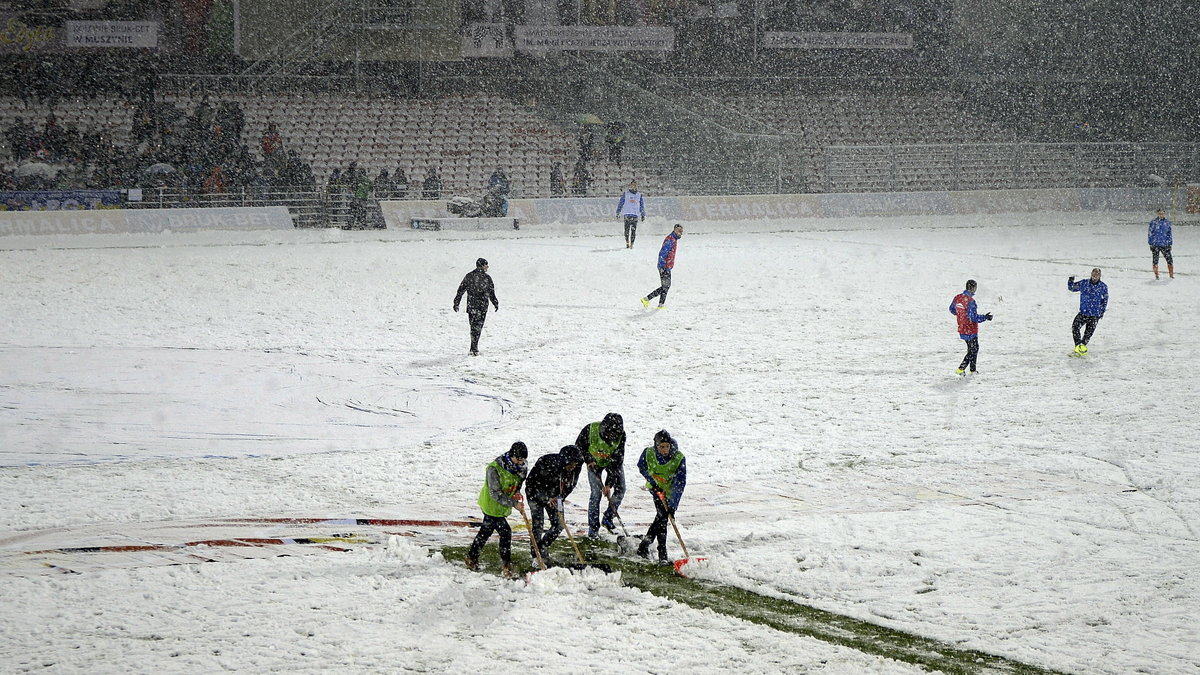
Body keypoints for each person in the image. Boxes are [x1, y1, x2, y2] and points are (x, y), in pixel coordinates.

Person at [465, 442, 528, 578]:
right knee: (505, 532)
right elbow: (495, 494)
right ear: (511, 456)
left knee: (486, 531)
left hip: (502, 506)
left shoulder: (522, 467)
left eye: (523, 460)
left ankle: (471, 557)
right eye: (518, 459)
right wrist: (514, 503)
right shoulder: (494, 469)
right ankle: (506, 565)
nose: (521, 463)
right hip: (491, 505)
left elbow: (519, 482)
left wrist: (516, 491)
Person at [524, 444, 584, 566]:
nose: (573, 467)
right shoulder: (546, 463)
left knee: (559, 524)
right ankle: (535, 554)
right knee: (538, 524)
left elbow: (569, 486)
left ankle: (542, 547)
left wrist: (559, 498)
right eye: (571, 464)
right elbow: (531, 484)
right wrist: (546, 498)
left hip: (556, 497)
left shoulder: (575, 468)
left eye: (575, 464)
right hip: (536, 495)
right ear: (564, 461)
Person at [636, 429, 686, 565]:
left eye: (667, 446)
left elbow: (680, 483)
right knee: (662, 519)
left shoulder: (679, 458)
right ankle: (662, 554)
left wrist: (673, 505)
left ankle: (644, 545)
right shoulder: (649, 453)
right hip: (656, 489)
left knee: (661, 518)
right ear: (656, 446)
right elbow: (641, 466)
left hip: (670, 492)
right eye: (661, 447)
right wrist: (652, 482)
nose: (665, 450)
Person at [574, 413, 626, 538]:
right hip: (593, 463)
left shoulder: (621, 436)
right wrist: (588, 459)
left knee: (621, 489)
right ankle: (593, 529)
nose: (613, 437)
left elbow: (618, 460)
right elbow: (578, 447)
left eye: (615, 434)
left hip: (611, 462)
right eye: (610, 434)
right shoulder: (590, 430)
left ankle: (608, 518)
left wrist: (609, 484)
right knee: (596, 494)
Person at [453, 258, 499, 356]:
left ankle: (473, 347)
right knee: (478, 327)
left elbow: (460, 290)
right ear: (481, 266)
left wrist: (456, 302)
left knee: (473, 326)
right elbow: (491, 293)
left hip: (472, 305)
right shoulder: (487, 278)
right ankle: (474, 347)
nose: (487, 267)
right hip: (482, 306)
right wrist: (495, 302)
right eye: (486, 265)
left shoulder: (469, 276)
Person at [949, 279, 993, 375]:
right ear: (973, 288)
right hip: (970, 329)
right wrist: (985, 317)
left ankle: (973, 370)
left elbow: (951, 309)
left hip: (962, 327)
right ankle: (961, 369)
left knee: (972, 348)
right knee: (973, 349)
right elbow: (973, 317)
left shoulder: (958, 297)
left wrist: (961, 316)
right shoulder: (971, 301)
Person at [641, 224, 684, 309]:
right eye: (679, 231)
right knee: (666, 286)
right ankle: (647, 299)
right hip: (664, 266)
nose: (681, 234)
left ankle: (660, 304)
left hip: (667, 266)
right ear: (675, 230)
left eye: (682, 232)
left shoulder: (673, 239)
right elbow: (662, 253)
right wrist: (662, 266)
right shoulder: (670, 239)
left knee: (665, 286)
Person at [1068, 268, 1108, 355]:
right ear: (1091, 274)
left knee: (1088, 334)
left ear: (1100, 276)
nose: (1095, 276)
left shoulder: (1103, 287)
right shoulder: (1084, 283)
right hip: (1083, 313)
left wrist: (1102, 312)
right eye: (1093, 274)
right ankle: (1078, 346)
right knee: (1075, 327)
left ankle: (1082, 347)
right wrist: (1071, 280)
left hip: (1095, 315)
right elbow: (1072, 288)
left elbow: (1105, 300)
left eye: (1097, 274)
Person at [616, 179, 646, 248]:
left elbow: (641, 205)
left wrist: (642, 214)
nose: (633, 186)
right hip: (627, 214)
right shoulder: (626, 194)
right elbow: (621, 203)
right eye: (632, 185)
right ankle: (627, 242)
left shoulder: (639, 195)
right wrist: (618, 211)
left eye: (635, 185)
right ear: (630, 185)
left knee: (633, 231)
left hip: (635, 215)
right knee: (626, 230)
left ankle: (632, 244)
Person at [1148, 209, 1174, 280]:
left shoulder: (1167, 222)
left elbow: (1169, 234)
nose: (1161, 215)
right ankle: (1156, 275)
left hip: (1165, 245)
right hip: (1155, 244)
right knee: (1155, 260)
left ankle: (1171, 274)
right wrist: (1151, 243)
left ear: (1164, 214)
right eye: (1160, 213)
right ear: (1157, 214)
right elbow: (1150, 233)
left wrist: (1170, 243)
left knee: (1169, 260)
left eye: (1162, 213)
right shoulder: (1153, 222)